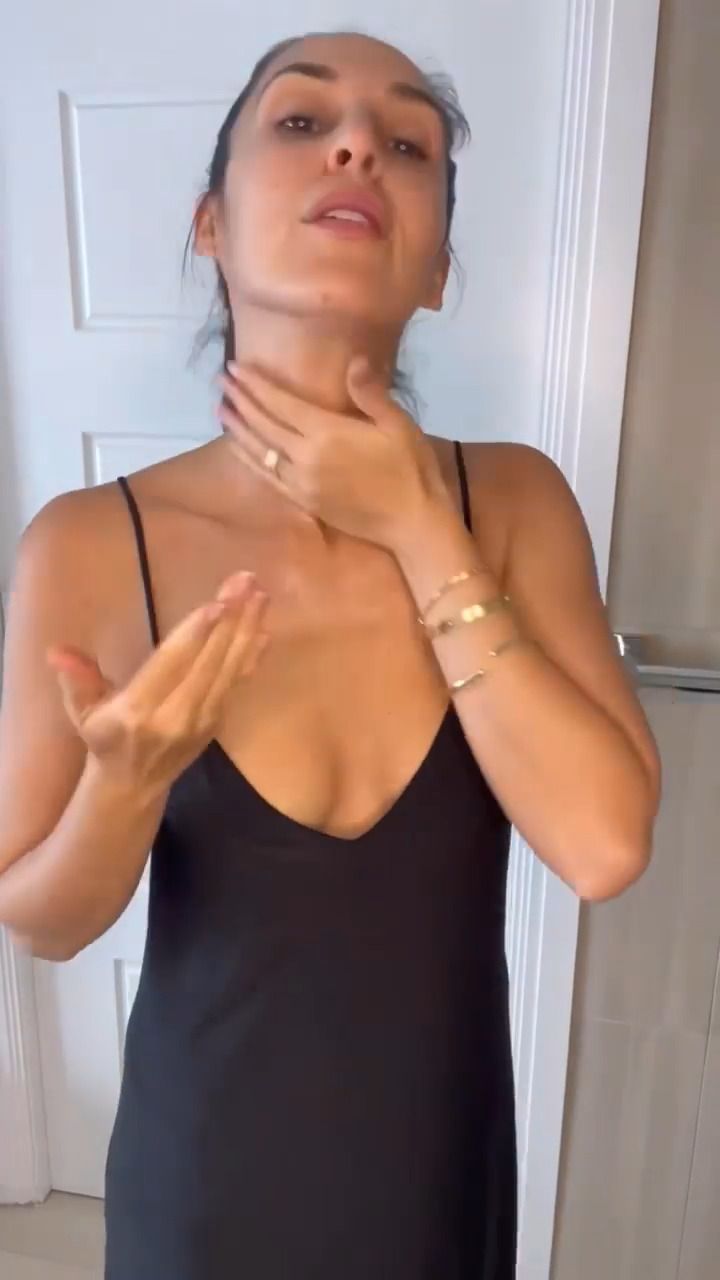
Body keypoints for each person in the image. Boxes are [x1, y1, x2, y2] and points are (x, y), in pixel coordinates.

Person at [0, 30, 660, 1280]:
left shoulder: (512, 504)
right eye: (303, 122)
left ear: (439, 269)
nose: (358, 145)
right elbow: (41, 921)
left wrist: (418, 526)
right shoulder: (89, 543)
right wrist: (123, 786)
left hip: (439, 1186)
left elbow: (604, 843)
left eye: (407, 143)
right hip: (205, 1195)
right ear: (211, 223)